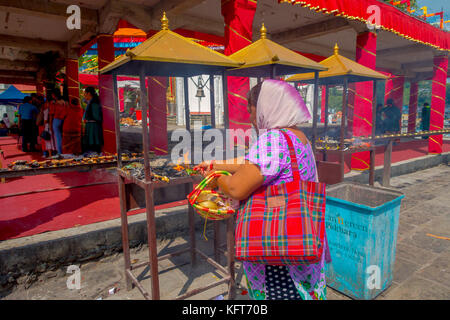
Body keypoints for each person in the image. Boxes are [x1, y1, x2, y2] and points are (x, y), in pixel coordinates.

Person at [197, 80, 331, 300]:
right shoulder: (297, 137)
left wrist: (215, 178)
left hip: (278, 248)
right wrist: (216, 164)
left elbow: (236, 188)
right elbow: (253, 164)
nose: (251, 118)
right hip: (302, 237)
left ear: (267, 107)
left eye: (252, 111)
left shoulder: (272, 140)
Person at [83, 87, 103, 153]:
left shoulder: (94, 102)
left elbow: (96, 116)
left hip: (93, 126)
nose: (84, 95)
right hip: (91, 125)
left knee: (93, 143)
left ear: (89, 93)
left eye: (85, 93)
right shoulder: (90, 102)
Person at [49, 89, 68, 155]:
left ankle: (60, 152)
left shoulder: (53, 103)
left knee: (58, 137)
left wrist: (50, 125)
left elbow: (51, 114)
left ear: (54, 95)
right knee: (64, 136)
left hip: (56, 120)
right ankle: (65, 151)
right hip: (64, 120)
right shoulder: (65, 102)